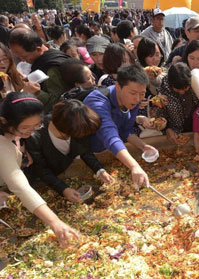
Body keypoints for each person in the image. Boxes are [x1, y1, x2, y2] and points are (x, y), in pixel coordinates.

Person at [0, 92, 79, 247]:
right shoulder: (2, 146)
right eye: (25, 128)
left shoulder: (12, 131)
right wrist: (54, 221)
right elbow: (20, 186)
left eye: (36, 125)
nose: (32, 131)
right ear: (4, 121)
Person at [26, 99, 113, 202]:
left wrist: (99, 170)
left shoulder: (75, 127)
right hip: (36, 181)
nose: (83, 137)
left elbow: (84, 150)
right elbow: (41, 169)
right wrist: (63, 189)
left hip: (59, 173)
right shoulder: (35, 137)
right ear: (68, 131)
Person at [83, 65, 153, 187]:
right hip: (87, 157)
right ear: (118, 86)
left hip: (110, 153)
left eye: (142, 94)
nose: (137, 99)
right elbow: (110, 136)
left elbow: (126, 131)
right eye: (133, 93)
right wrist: (134, 166)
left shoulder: (134, 100)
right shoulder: (97, 101)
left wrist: (143, 146)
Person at [9, 28, 71, 114]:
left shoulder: (52, 68)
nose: (22, 60)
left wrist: (37, 92)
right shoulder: (45, 59)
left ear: (38, 49)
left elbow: (60, 103)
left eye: (25, 56)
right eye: (19, 57)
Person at [158, 62, 199, 144]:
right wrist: (167, 129)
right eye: (177, 89)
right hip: (175, 131)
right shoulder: (164, 91)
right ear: (171, 84)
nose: (182, 92)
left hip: (196, 127)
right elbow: (160, 113)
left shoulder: (196, 84)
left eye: (185, 88)